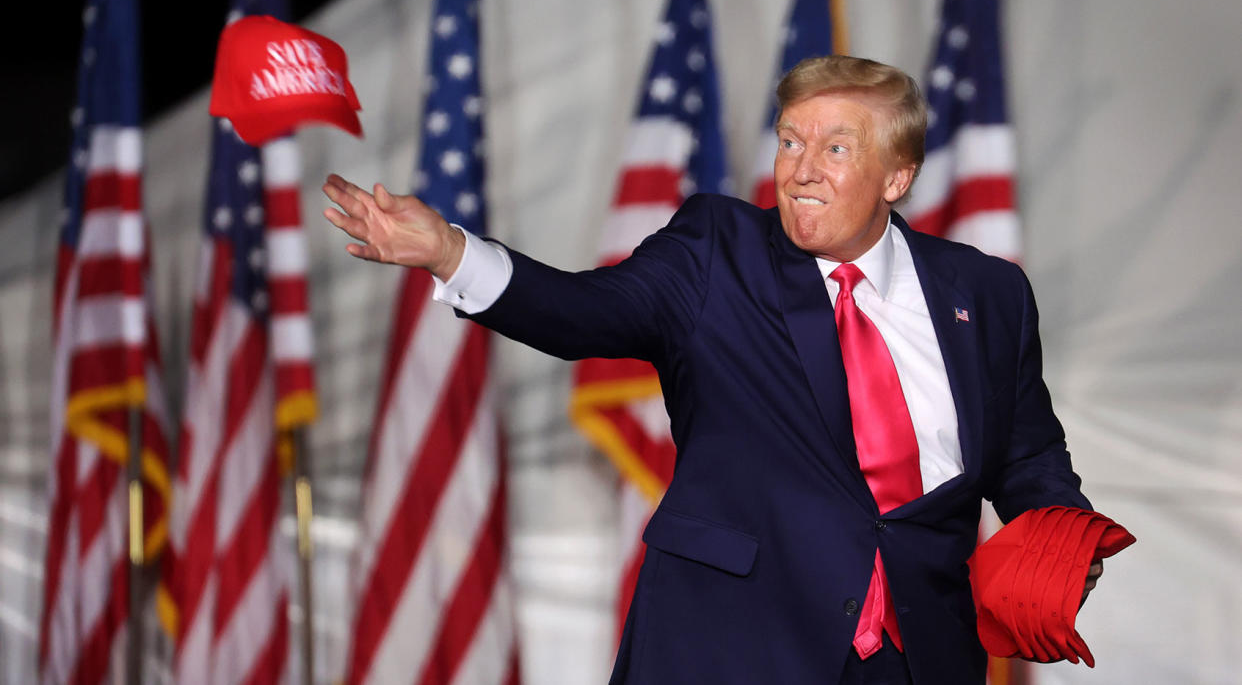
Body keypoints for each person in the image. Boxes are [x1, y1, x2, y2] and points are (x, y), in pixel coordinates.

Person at [323, 55, 1101, 684]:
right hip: (731, 647)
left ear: (896, 177)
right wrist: (454, 254)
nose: (801, 169)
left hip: (917, 659)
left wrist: (1063, 547)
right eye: (790, 141)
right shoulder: (716, 253)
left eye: (836, 148)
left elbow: (1027, 456)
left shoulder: (988, 294)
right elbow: (581, 311)